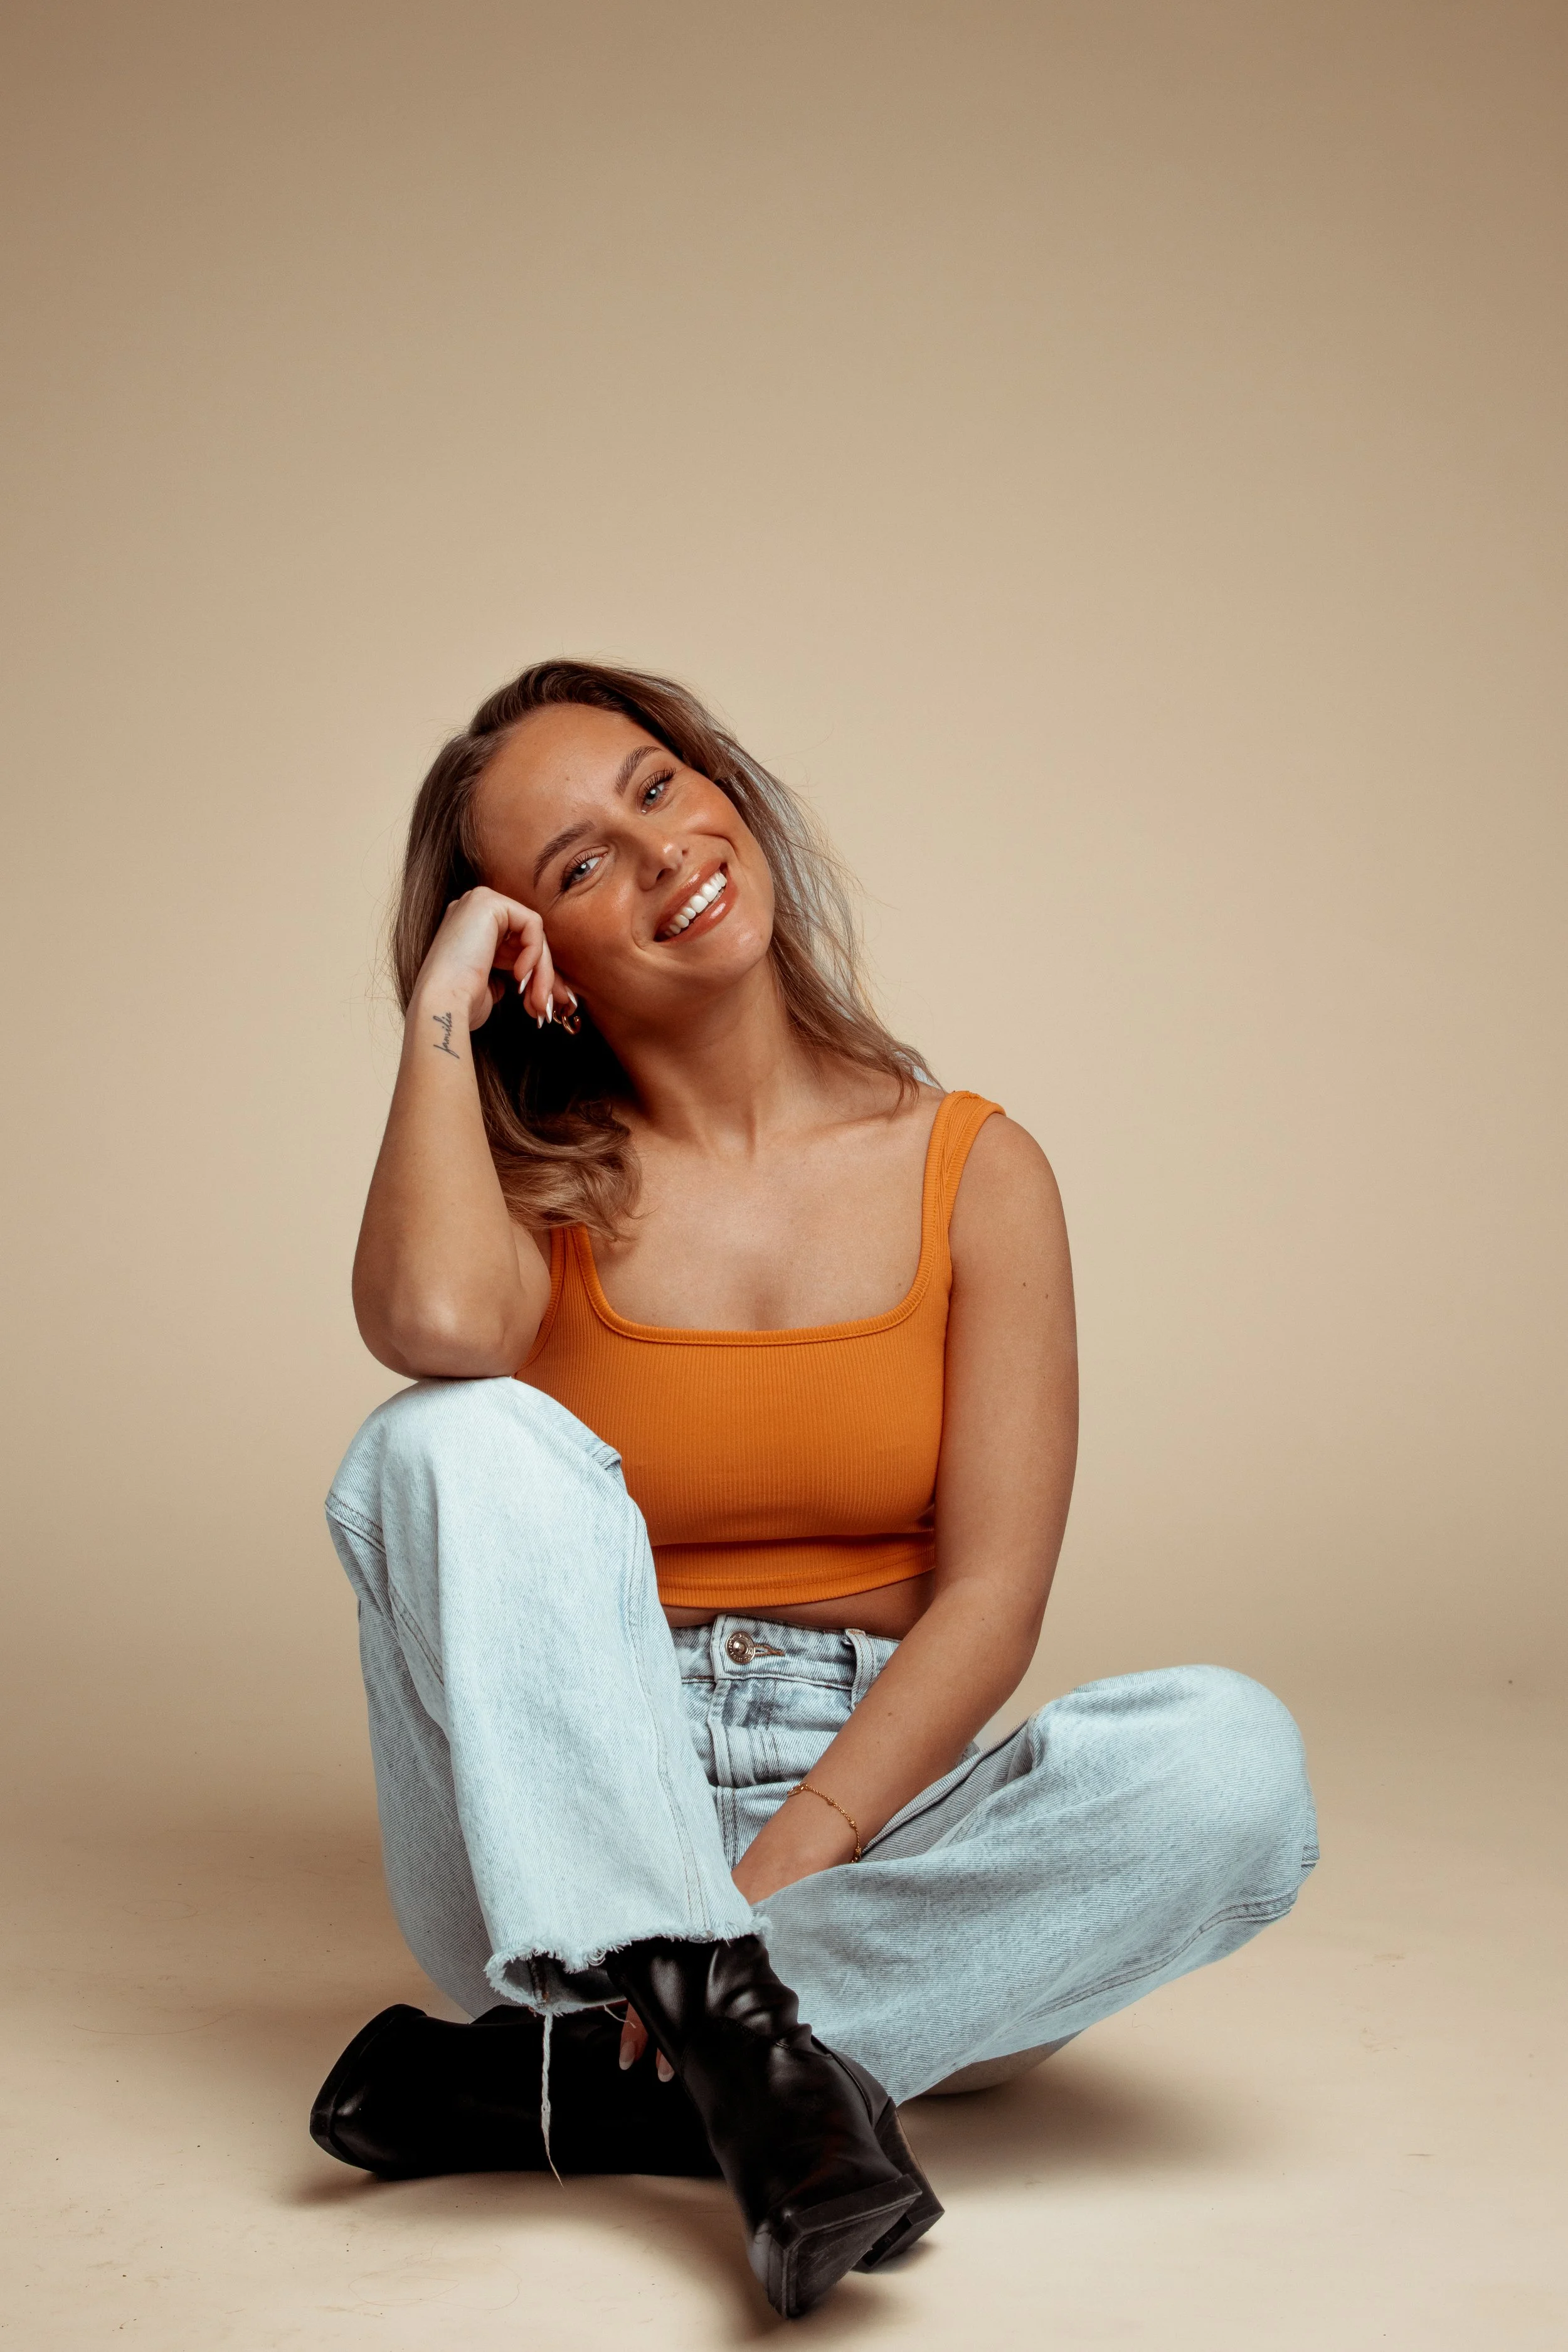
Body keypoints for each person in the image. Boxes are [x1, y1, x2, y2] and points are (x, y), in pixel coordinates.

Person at [310, 659, 1318, 2318]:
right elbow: (424, 1330)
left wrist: (760, 1897)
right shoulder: (524, 1192)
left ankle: (585, 2078)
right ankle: (754, 2063)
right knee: (439, 1432)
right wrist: (434, 1004)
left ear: (719, 780)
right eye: (571, 865)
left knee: (1231, 1765)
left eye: (653, 784)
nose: (654, 853)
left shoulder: (976, 1170)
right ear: (529, 952)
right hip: (559, 1821)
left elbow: (990, 1598)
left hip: (874, 1816)